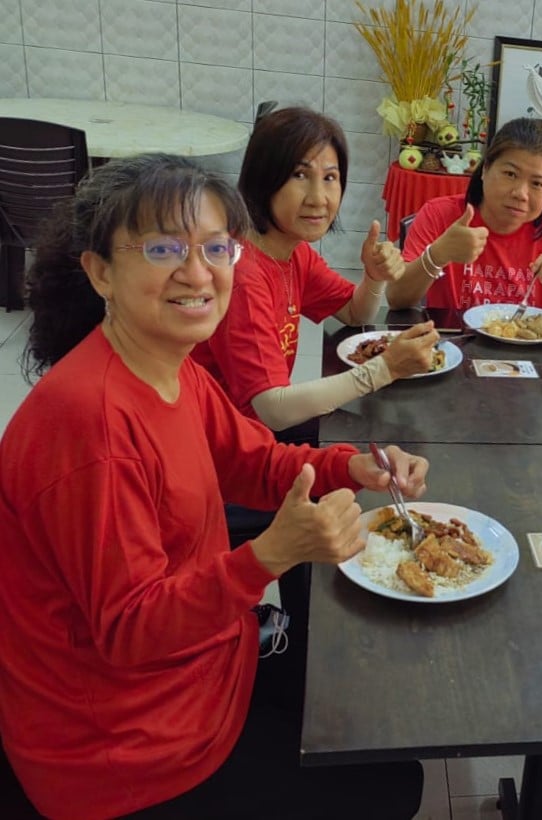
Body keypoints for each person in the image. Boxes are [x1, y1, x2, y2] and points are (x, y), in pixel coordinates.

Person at [0, 154, 427, 819]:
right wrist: (268, 556)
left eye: (215, 247)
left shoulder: (166, 363)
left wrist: (353, 466)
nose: (197, 273)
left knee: (374, 715)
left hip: (200, 666)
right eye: (163, 248)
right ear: (100, 271)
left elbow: (252, 462)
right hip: (120, 750)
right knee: (390, 786)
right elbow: (130, 630)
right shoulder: (91, 426)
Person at [191, 106, 439, 432]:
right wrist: (384, 369)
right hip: (226, 443)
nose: (318, 198)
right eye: (299, 175)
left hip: (258, 428)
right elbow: (273, 408)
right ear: (263, 179)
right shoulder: (242, 275)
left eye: (330, 177)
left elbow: (355, 313)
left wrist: (374, 277)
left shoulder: (294, 253)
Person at [385, 117, 542, 317]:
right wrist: (437, 255)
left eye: (537, 184)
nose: (521, 193)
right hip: (453, 348)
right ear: (485, 169)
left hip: (527, 355)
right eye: (510, 174)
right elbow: (396, 298)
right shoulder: (440, 215)